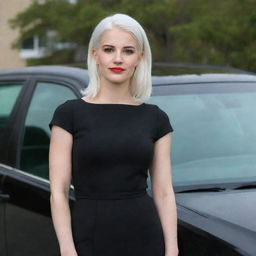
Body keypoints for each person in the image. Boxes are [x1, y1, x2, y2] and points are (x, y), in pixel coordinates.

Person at [48, 13, 179, 256]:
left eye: (128, 51)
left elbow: (163, 191)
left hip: (145, 235)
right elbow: (59, 191)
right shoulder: (69, 114)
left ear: (140, 58)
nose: (118, 59)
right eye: (109, 49)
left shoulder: (156, 118)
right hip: (88, 234)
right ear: (94, 54)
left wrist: (172, 249)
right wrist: (67, 250)